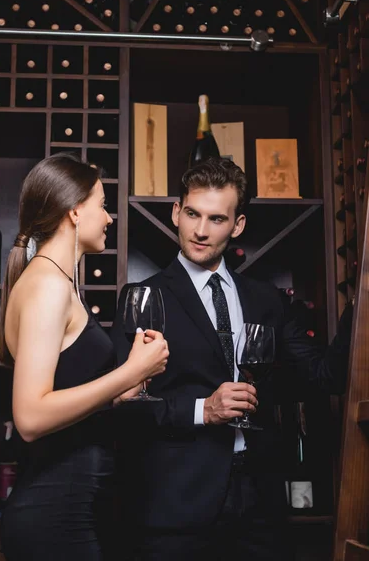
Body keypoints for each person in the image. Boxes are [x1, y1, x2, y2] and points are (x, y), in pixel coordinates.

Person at [110, 157, 353, 561]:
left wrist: (360, 302)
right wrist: (204, 410)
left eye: (217, 219)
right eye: (192, 214)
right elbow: (124, 407)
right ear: (176, 212)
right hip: (175, 510)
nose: (200, 231)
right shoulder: (145, 299)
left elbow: (324, 375)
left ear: (237, 225)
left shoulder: (266, 299)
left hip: (260, 505)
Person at [0, 152, 169, 561]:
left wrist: (114, 398)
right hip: (54, 515)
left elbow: (62, 393)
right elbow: (31, 418)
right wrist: (129, 373)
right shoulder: (47, 287)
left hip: (69, 509)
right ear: (75, 211)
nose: (109, 218)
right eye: (102, 206)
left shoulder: (51, 281)